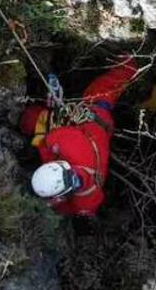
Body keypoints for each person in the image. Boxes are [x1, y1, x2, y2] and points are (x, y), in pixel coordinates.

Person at [21, 57, 139, 218]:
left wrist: (56, 204)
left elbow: (52, 138)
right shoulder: (85, 197)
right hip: (96, 119)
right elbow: (54, 137)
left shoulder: (86, 198)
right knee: (106, 87)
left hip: (90, 128)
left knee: (31, 119)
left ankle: (133, 63)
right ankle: (131, 63)